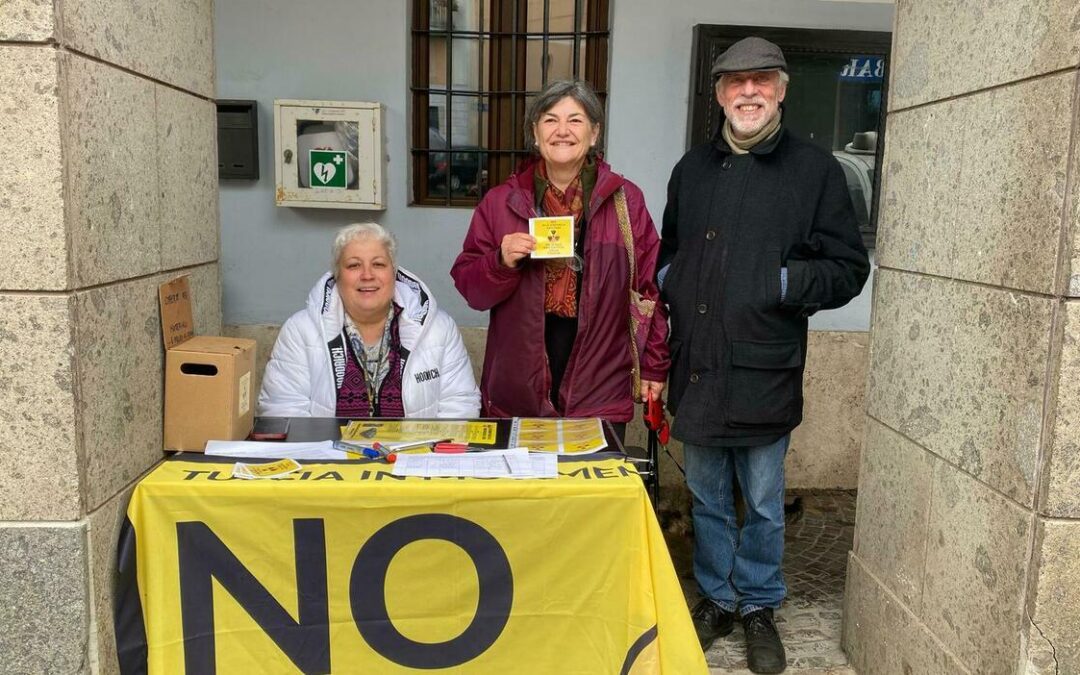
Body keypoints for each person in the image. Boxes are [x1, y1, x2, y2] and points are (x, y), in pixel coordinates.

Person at [659, 37, 869, 673]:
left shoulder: (814, 171)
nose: (746, 93)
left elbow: (846, 268)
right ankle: (717, 599)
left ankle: (757, 605)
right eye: (734, 83)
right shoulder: (692, 169)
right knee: (706, 495)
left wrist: (780, 284)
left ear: (780, 90)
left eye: (760, 82)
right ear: (720, 94)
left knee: (764, 502)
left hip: (764, 368)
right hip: (696, 364)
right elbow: (669, 251)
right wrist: (673, 279)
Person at [451, 79, 668, 438]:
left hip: (601, 382)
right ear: (535, 132)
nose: (562, 131)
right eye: (550, 120)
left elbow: (650, 290)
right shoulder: (501, 201)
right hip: (519, 384)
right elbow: (472, 290)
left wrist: (654, 367)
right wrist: (500, 261)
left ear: (594, 133)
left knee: (590, 492)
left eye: (576, 120)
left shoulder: (626, 201)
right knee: (524, 492)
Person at [259, 222, 481, 418]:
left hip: (414, 460)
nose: (367, 275)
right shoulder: (300, 330)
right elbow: (283, 411)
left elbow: (460, 405)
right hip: (330, 460)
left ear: (393, 272)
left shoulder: (439, 329)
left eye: (378, 264)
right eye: (354, 265)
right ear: (337, 275)